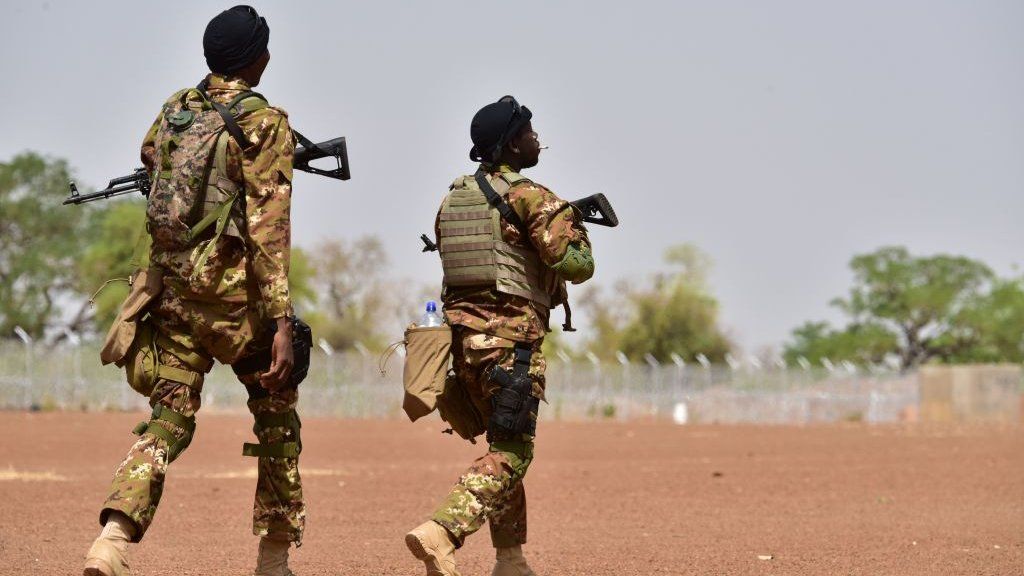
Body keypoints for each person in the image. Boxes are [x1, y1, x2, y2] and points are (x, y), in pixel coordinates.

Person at [84, 6, 304, 576]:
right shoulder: (265, 120)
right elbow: (269, 229)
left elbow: (151, 157)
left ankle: (111, 539)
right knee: (276, 412)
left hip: (177, 294)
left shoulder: (176, 107)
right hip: (238, 306)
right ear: (257, 59)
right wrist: (281, 321)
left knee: (169, 415)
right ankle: (274, 557)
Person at [405, 96, 596, 576]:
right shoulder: (530, 196)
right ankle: (442, 531)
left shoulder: (454, 198)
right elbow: (577, 266)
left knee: (500, 445)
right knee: (514, 451)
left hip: (462, 345)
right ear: (513, 143)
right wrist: (575, 231)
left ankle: (511, 561)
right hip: (512, 345)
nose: (537, 140)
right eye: (530, 132)